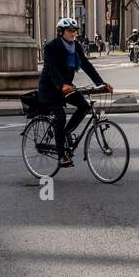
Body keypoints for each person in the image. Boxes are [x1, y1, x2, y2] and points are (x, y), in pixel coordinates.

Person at [38, 17, 111, 168]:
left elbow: (86, 65)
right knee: (60, 116)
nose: (73, 34)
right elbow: (51, 69)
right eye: (70, 31)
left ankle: (65, 133)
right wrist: (62, 85)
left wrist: (101, 83)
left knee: (84, 106)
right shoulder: (52, 47)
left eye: (75, 31)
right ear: (61, 32)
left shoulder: (75, 46)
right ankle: (61, 156)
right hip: (50, 89)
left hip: (66, 87)